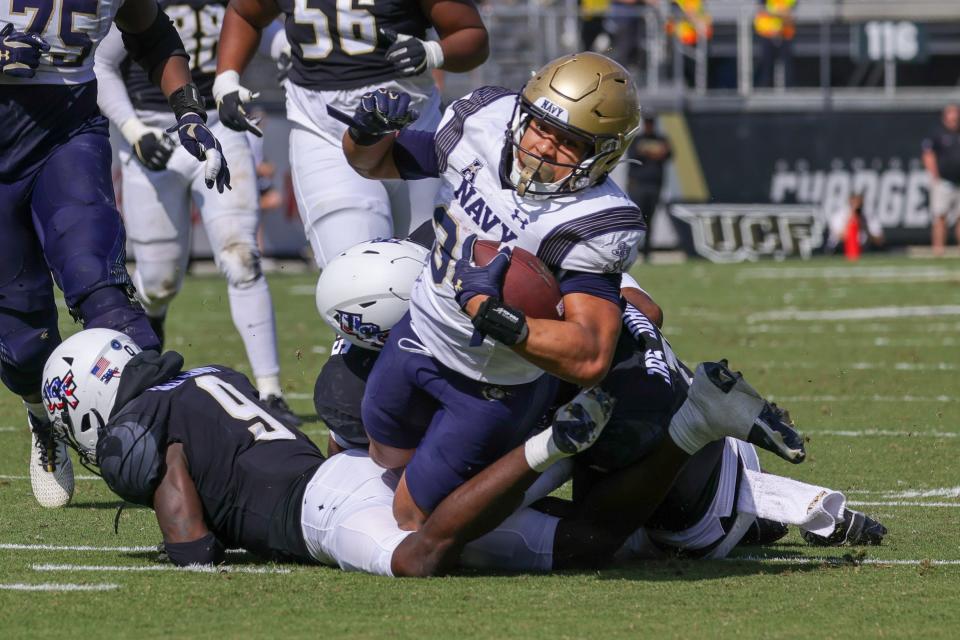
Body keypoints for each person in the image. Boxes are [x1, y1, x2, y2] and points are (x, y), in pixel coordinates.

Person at [309, 246, 874, 569]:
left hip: (686, 498)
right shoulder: (489, 272)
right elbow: (641, 307)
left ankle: (741, 472)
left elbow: (418, 517)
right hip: (645, 411)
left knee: (469, 521)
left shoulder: (520, 334)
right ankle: (782, 493)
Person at [341, 52, 654, 530]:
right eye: (539, 127)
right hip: (419, 331)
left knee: (414, 519)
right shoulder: (483, 123)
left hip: (491, 385)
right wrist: (364, 134)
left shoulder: (595, 220)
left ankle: (550, 459)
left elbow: (590, 355)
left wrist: (497, 318)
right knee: (382, 451)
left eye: (569, 142)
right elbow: (372, 162)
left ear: (604, 154)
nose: (544, 148)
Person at [40, 327, 628, 577]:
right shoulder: (206, 375)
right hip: (351, 472)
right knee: (589, 544)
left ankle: (548, 446)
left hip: (324, 512)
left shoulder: (141, 424)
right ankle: (629, 440)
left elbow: (191, 542)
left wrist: (193, 551)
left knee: (416, 560)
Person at [1, 0, 230, 508]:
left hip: (65, 137)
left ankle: (181, 449)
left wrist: (188, 109)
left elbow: (151, 34)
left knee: (100, 285)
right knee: (21, 340)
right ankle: (44, 420)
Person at [94, 6, 300, 426]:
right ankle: (153, 317)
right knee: (158, 281)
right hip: (154, 133)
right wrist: (133, 131)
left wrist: (252, 81)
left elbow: (280, 32)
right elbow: (101, 61)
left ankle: (271, 389)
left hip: (216, 131)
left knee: (241, 257)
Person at [213, 0, 489, 267]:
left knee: (434, 272)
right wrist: (226, 79)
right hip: (324, 129)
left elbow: (472, 36)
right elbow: (245, 12)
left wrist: (434, 52)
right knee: (356, 275)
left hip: (412, 131)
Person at [627, 108, 672, 259]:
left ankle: (647, 253)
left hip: (654, 185)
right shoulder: (637, 140)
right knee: (636, 220)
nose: (649, 126)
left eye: (651, 123)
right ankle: (632, 251)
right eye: (647, 123)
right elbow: (634, 157)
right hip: (638, 185)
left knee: (650, 220)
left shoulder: (661, 139)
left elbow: (668, 154)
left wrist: (650, 152)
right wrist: (654, 153)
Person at [922, 104, 960, 257]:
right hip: (943, 181)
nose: (954, 117)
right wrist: (935, 176)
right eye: (951, 113)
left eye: (956, 113)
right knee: (940, 216)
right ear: (945, 116)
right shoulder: (937, 133)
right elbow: (928, 154)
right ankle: (938, 250)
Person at [754, 0, 796, 89]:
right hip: (767, 33)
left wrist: (778, 13)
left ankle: (789, 91)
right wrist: (779, 13)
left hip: (785, 33)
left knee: (787, 66)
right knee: (767, 65)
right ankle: (765, 91)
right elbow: (762, 9)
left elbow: (791, 11)